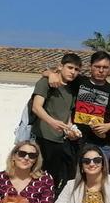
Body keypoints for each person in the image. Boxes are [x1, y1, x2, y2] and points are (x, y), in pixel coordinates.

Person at [32, 53, 82, 193]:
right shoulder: (45, 82)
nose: (73, 72)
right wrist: (52, 122)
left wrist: (71, 130)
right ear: (60, 66)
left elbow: (67, 116)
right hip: (42, 138)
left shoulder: (72, 89)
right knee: (38, 176)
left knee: (56, 179)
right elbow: (36, 107)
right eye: (70, 67)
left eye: (76, 69)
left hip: (60, 141)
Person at [68, 51, 110, 161]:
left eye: (105, 67)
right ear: (90, 67)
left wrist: (108, 126)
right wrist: (51, 75)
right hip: (75, 141)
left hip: (101, 144)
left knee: (100, 177)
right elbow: (55, 73)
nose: (101, 70)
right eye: (97, 66)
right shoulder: (78, 81)